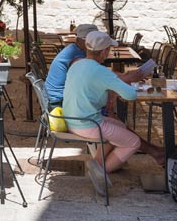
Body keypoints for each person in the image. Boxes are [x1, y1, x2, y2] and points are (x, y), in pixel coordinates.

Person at [63, 31, 165, 196]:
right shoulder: (100, 71)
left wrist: (113, 87)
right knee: (132, 142)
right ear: (104, 52)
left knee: (120, 127)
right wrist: (123, 83)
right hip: (88, 124)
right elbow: (130, 95)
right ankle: (99, 171)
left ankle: (97, 162)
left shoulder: (78, 64)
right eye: (109, 49)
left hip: (71, 120)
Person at [44, 23, 98, 107]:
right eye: (92, 40)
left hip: (54, 97)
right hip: (58, 102)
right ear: (79, 40)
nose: (95, 43)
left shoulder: (74, 49)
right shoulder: (76, 56)